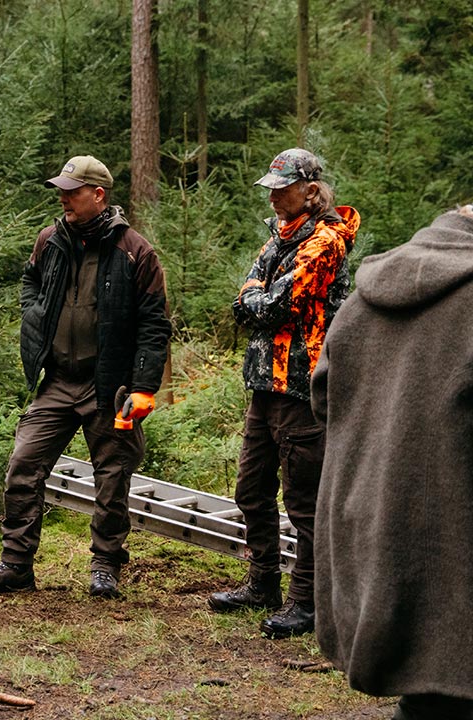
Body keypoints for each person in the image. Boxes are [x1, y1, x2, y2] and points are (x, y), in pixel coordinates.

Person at [0, 155, 171, 599]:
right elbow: (30, 281)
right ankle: (16, 565)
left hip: (109, 385)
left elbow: (155, 325)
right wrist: (34, 314)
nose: (63, 199)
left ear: (97, 195)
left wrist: (142, 388)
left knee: (112, 477)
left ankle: (105, 566)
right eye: (60, 190)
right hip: (58, 379)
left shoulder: (135, 251)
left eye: (71, 192)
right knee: (23, 464)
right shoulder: (50, 240)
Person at [312, 204, 473, 720]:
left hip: (373, 517)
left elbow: (321, 398)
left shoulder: (363, 298)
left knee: (424, 691)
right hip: (454, 525)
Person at [207, 148, 359, 639]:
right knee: (250, 491)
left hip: (303, 388)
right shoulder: (280, 236)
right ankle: (263, 585)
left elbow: (272, 305)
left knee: (304, 502)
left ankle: (307, 601)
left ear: (310, 191)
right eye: (270, 187)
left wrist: (256, 298)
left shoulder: (326, 242)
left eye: (282, 187)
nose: (273, 196)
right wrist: (255, 297)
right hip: (264, 383)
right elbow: (245, 299)